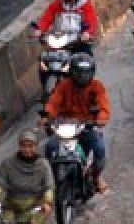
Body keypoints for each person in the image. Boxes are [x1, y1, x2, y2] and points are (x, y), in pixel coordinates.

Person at [41, 54, 111, 193]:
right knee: (50, 147)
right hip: (65, 125)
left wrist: (100, 118)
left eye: (85, 73)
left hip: (87, 127)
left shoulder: (97, 87)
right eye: (79, 73)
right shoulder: (64, 85)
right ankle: (52, 178)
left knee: (100, 149)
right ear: (72, 72)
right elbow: (53, 103)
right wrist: (47, 116)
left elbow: (103, 106)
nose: (82, 77)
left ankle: (96, 176)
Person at [0, 130, 54, 223]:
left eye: (30, 146)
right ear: (19, 146)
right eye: (23, 146)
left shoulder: (43, 165)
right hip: (11, 206)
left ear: (36, 146)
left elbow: (49, 186)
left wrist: (47, 202)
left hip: (35, 207)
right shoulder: (8, 163)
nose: (27, 149)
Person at [31, 0, 100, 52]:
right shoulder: (56, 5)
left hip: (80, 43)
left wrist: (87, 33)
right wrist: (39, 30)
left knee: (85, 63)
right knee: (44, 60)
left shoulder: (85, 5)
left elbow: (92, 21)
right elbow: (46, 19)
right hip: (59, 43)